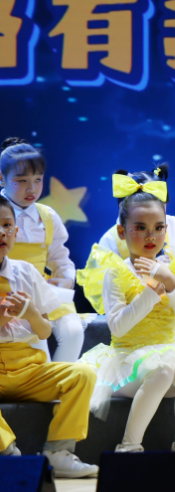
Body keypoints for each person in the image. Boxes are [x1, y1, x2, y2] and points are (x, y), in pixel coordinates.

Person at [78, 172, 175, 452]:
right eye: (140, 228)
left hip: (167, 352)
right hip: (126, 361)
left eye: (158, 228)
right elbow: (118, 327)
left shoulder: (173, 269)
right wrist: (151, 293)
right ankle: (129, 445)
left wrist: (170, 282)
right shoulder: (116, 273)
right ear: (122, 232)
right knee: (163, 372)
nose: (150, 236)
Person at [0, 195, 100, 477]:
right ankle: (8, 455)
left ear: (15, 232)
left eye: (7, 225)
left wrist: (32, 313)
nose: (2, 232)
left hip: (28, 368)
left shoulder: (26, 272)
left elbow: (44, 331)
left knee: (83, 374)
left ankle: (58, 452)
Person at [0, 138, 83, 362]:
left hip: (42, 291)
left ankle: (61, 379)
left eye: (38, 180)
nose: (31, 188)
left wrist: (66, 280)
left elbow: (60, 257)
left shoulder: (47, 216)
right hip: (9, 294)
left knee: (73, 332)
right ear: (2, 178)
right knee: (37, 342)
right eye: (22, 180)